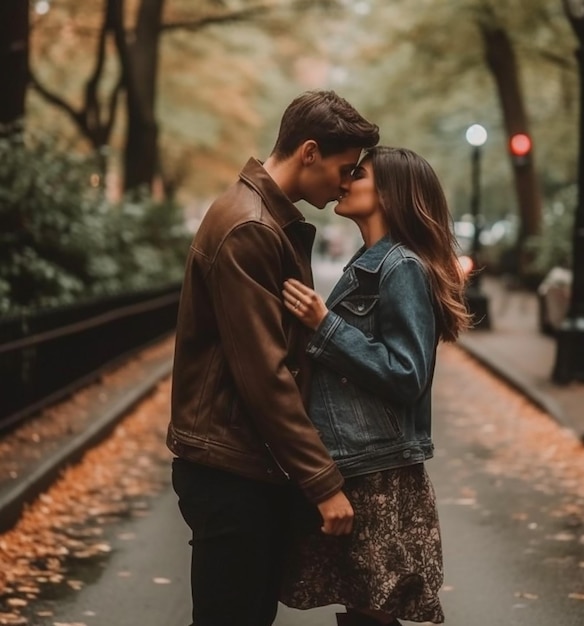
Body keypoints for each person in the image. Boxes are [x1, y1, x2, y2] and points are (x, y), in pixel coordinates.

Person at [166, 90, 379, 626]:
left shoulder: (264, 221)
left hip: (244, 464)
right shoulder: (251, 228)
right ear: (309, 152)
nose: (347, 183)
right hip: (230, 469)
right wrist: (323, 483)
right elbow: (264, 373)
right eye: (344, 167)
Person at [281, 146, 471, 625]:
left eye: (357, 173)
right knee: (363, 608)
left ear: (388, 191)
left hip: (379, 470)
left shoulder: (400, 266)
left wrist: (325, 325)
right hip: (362, 463)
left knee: (371, 611)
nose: (344, 180)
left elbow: (409, 375)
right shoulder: (371, 262)